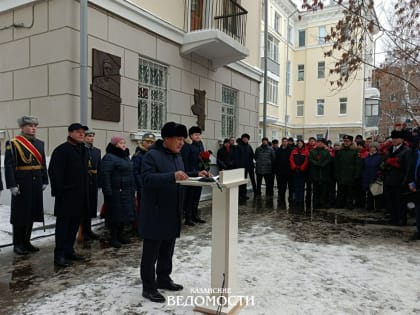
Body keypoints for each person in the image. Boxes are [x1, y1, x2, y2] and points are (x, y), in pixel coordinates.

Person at [139, 122, 209, 303]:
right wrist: (172, 176)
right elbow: (146, 179)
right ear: (167, 139)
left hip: (172, 210)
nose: (181, 143)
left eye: (182, 140)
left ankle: (163, 278)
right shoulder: (151, 156)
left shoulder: (177, 156)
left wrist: (196, 173)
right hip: (155, 212)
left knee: (167, 249)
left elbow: (181, 174)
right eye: (178, 139)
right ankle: (149, 287)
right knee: (151, 252)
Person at [4, 116, 48, 255]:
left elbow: (42, 164)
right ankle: (17, 243)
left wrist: (45, 179)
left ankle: (27, 241)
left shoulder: (40, 143)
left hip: (36, 182)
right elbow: (9, 166)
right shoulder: (14, 143)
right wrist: (12, 185)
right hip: (21, 183)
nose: (33, 128)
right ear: (22, 127)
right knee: (20, 214)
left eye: (35, 125)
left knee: (32, 212)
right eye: (30, 125)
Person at [48, 123, 89, 267]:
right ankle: (59, 255)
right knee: (63, 226)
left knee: (74, 225)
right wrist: (60, 191)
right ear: (70, 133)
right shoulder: (62, 150)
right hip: (66, 196)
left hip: (80, 195)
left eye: (83, 132)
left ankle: (69, 251)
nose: (81, 134)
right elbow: (54, 172)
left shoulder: (83, 149)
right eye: (78, 132)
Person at [101, 136, 136, 248]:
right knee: (115, 215)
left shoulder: (125, 156)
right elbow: (105, 174)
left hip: (126, 190)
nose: (124, 145)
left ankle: (120, 235)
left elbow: (131, 173)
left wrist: (133, 187)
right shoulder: (110, 157)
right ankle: (113, 238)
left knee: (123, 215)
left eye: (124, 143)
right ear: (115, 144)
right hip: (116, 191)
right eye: (121, 143)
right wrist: (107, 191)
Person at [382, 130, 411, 225]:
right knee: (391, 200)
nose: (394, 140)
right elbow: (384, 163)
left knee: (400, 202)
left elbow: (408, 167)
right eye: (393, 138)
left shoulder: (406, 150)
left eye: (396, 138)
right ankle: (393, 218)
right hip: (389, 179)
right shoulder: (389, 149)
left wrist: (405, 181)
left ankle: (401, 219)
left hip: (399, 180)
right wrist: (386, 165)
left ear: (402, 139)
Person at [78, 129, 102, 241]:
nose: (91, 138)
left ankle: (88, 230)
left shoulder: (97, 151)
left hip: (94, 179)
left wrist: (100, 181)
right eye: (88, 136)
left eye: (92, 136)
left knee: (91, 205)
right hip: (84, 180)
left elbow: (99, 167)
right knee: (84, 207)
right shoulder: (81, 149)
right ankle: (82, 231)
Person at [181, 126, 206, 226]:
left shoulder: (200, 144)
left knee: (197, 195)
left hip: (200, 173)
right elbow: (185, 160)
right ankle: (188, 217)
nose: (198, 136)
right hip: (191, 174)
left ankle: (195, 215)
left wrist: (205, 168)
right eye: (196, 134)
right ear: (191, 135)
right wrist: (190, 172)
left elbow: (203, 158)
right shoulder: (187, 145)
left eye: (199, 134)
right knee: (189, 197)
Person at [334, 135, 360, 209]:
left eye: (347, 141)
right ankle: (340, 203)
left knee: (350, 191)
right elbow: (337, 164)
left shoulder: (355, 151)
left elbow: (357, 164)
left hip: (350, 175)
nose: (346, 142)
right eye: (344, 141)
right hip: (342, 175)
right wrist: (337, 173)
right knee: (341, 190)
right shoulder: (340, 151)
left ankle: (349, 204)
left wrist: (356, 174)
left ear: (351, 142)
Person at [132, 133, 156, 208]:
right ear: (143, 142)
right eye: (147, 142)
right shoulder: (138, 155)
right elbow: (135, 172)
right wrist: (141, 185)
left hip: (152, 184)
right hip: (143, 185)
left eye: (152, 142)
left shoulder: (154, 154)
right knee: (142, 206)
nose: (150, 144)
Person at [309, 138, 331, 209]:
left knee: (324, 190)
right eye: (318, 142)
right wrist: (317, 164)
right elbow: (311, 159)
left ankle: (323, 202)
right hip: (316, 174)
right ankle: (316, 203)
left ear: (324, 144)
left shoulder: (326, 152)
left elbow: (328, 159)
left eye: (321, 142)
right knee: (316, 190)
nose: (319, 143)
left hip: (324, 174)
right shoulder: (313, 151)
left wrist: (323, 164)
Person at [235, 133, 257, 201]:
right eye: (244, 138)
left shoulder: (249, 146)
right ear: (242, 139)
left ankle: (255, 191)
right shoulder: (238, 146)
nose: (245, 139)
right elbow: (237, 158)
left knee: (252, 179)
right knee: (242, 181)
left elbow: (253, 155)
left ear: (248, 139)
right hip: (242, 167)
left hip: (250, 166)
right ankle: (242, 195)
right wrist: (238, 166)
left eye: (247, 138)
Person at [362, 142, 383, 210]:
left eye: (373, 147)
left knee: (377, 193)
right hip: (367, 176)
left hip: (375, 177)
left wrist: (379, 175)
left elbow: (381, 167)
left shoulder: (379, 157)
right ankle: (369, 206)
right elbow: (364, 167)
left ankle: (378, 207)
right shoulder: (367, 157)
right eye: (371, 147)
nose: (372, 148)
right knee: (369, 193)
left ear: (376, 148)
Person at [289, 139, 309, 210]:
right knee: (296, 185)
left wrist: (302, 168)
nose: (299, 144)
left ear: (303, 144)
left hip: (302, 171)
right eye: (298, 143)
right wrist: (294, 167)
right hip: (295, 171)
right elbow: (291, 159)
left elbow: (307, 161)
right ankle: (297, 199)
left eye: (301, 143)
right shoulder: (294, 151)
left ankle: (301, 199)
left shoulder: (306, 151)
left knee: (302, 186)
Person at [273, 137, 293, 208]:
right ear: (281, 142)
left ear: (287, 142)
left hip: (289, 172)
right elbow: (275, 161)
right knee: (281, 186)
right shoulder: (278, 150)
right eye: (283, 141)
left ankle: (290, 197)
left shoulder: (290, 150)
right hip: (280, 172)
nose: (284, 142)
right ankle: (281, 197)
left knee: (290, 186)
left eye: (285, 141)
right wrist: (276, 170)